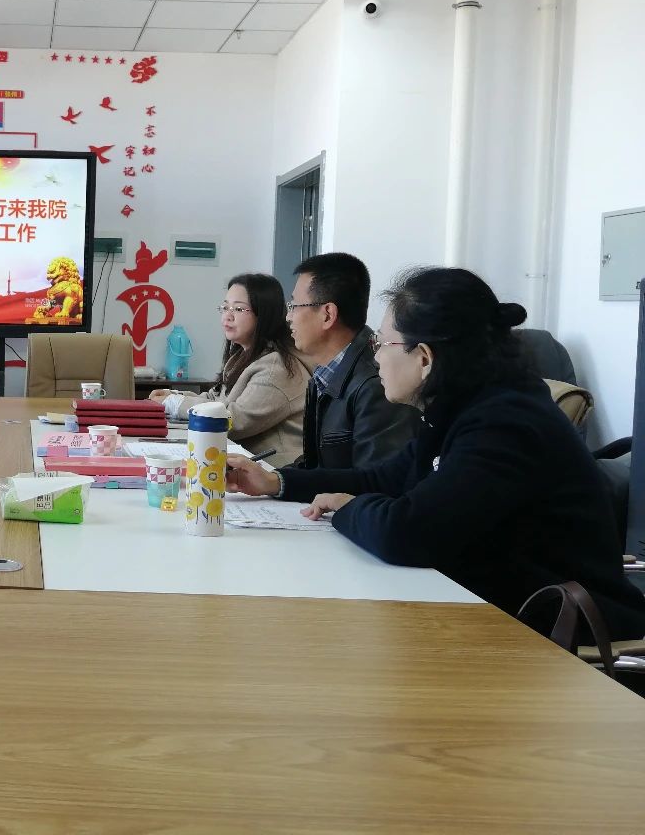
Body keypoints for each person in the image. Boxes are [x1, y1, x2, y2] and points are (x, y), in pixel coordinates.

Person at [227, 267, 645, 640]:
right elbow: (384, 478)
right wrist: (277, 482)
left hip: (552, 627)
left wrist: (348, 508)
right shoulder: (458, 407)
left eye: (382, 343)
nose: (376, 356)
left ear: (424, 358)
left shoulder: (505, 423)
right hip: (491, 605)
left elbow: (407, 533)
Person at [149, 273, 307, 466]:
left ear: (264, 313)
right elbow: (216, 400)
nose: (228, 316)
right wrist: (173, 396)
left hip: (274, 469)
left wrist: (176, 404)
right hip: (244, 463)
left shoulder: (276, 366)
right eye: (225, 307)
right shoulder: (243, 356)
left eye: (238, 309)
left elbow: (236, 421)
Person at [285, 252, 418, 469]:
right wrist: (276, 479)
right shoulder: (325, 373)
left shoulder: (377, 383)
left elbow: (373, 481)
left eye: (294, 306)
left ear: (328, 314)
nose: (288, 317)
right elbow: (315, 466)